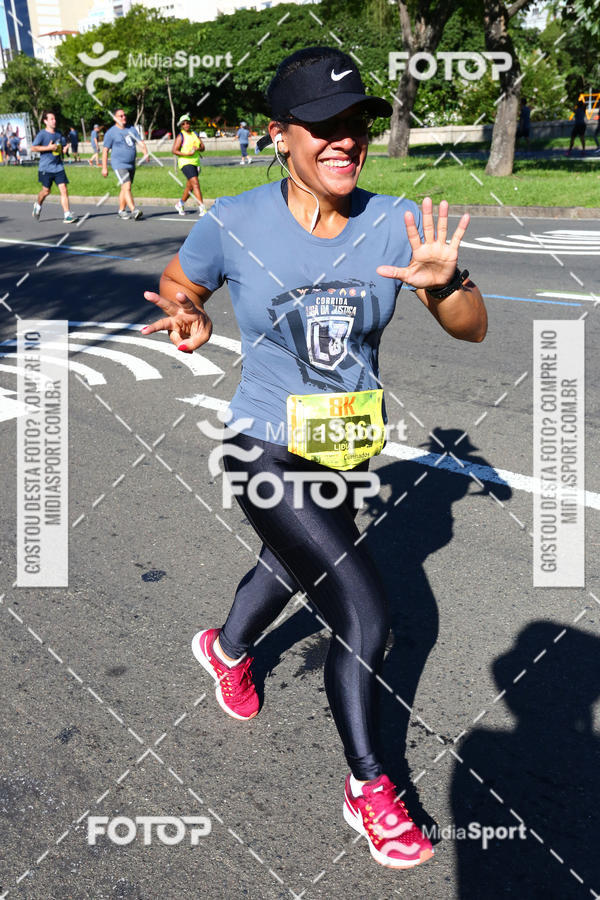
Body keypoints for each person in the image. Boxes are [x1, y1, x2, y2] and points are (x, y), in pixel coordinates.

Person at [140, 46, 487, 871]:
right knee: (368, 612)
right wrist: (191, 317)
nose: (344, 141)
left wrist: (445, 285)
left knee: (294, 559)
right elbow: (180, 282)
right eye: (323, 127)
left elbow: (472, 328)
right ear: (280, 136)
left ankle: (226, 648)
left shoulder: (392, 219)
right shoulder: (233, 219)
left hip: (342, 447)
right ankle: (370, 787)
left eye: (356, 124)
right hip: (259, 441)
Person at [101, 108, 148, 220]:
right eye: (120, 116)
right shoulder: (111, 132)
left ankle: (121, 210)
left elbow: (140, 142)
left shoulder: (131, 129)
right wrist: (104, 167)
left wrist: (145, 152)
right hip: (119, 164)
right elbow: (105, 150)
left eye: (124, 115)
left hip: (131, 164)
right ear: (115, 118)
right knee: (127, 185)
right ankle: (133, 210)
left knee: (125, 187)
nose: (123, 117)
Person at [31, 111, 78, 223]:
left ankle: (67, 215)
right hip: (45, 168)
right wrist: (48, 148)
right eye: (51, 119)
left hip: (58, 167)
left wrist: (65, 148)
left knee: (64, 189)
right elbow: (33, 148)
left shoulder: (58, 133)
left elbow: (61, 146)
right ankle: (37, 205)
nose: (54, 121)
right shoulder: (42, 134)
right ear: (45, 121)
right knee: (46, 191)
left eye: (54, 118)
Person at [172, 113, 207, 216]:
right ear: (181, 125)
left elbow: (203, 147)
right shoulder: (181, 136)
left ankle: (180, 204)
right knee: (195, 183)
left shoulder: (194, 134)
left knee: (190, 186)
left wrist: (198, 148)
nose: (186, 125)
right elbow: (174, 150)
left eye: (188, 123)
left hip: (196, 163)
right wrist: (187, 154)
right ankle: (202, 208)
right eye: (184, 123)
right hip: (185, 162)